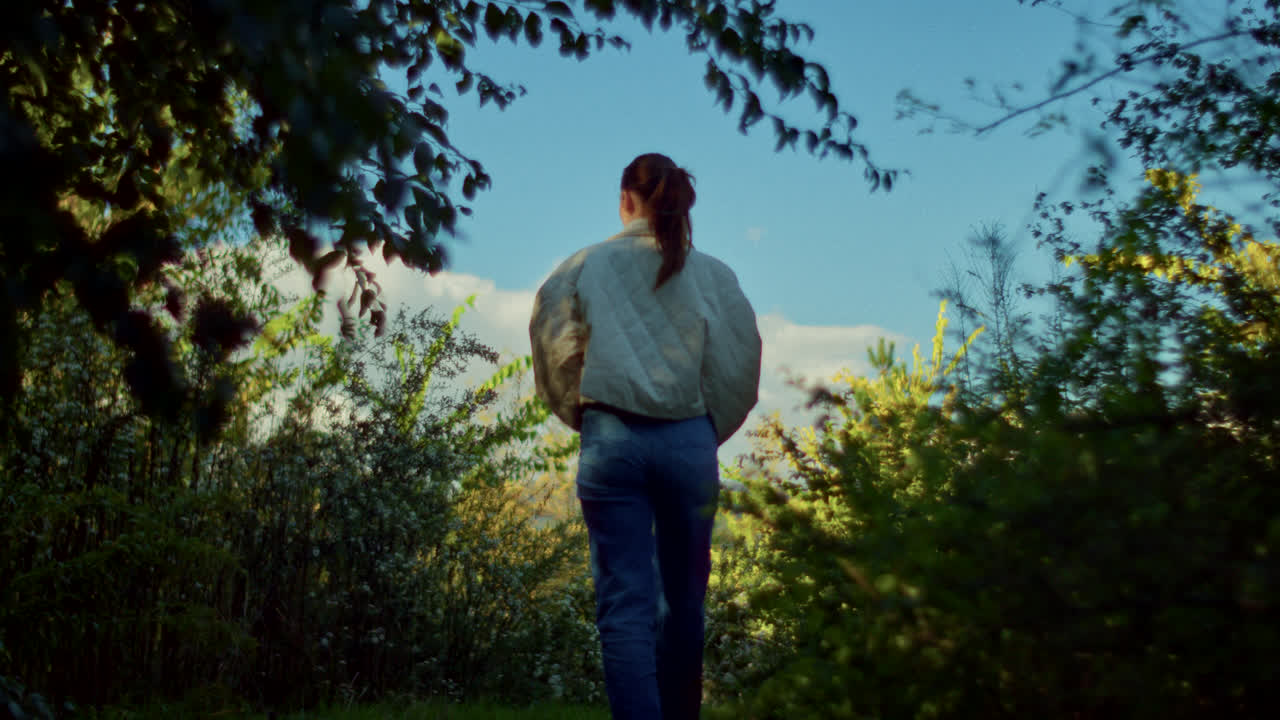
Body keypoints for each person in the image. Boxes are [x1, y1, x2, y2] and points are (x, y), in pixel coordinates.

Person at [529, 153, 762, 720]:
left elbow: (552, 346)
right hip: (688, 443)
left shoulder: (584, 265)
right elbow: (740, 364)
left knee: (625, 607)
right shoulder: (714, 275)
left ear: (624, 200)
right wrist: (705, 429)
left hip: (612, 441)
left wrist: (583, 413)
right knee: (685, 604)